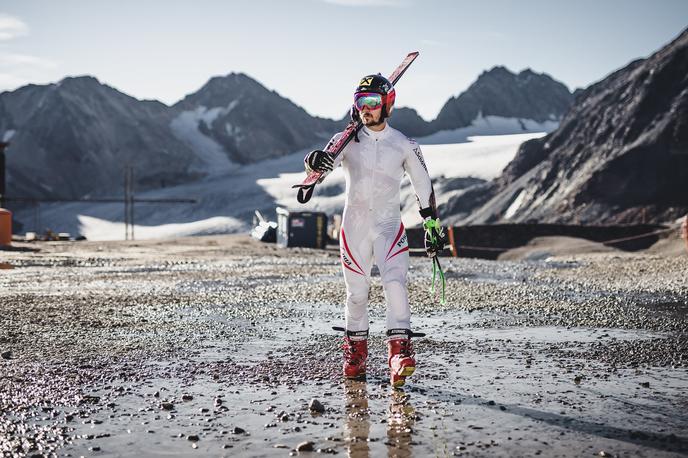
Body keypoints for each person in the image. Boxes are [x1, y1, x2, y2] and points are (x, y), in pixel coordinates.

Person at [304, 74, 447, 388]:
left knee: (394, 284)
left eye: (371, 103)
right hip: (353, 229)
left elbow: (424, 186)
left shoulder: (404, 145)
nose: (365, 110)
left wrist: (432, 225)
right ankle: (355, 355)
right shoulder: (345, 140)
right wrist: (312, 163)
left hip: (388, 227)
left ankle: (399, 354)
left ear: (388, 104)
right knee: (356, 295)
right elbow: (319, 171)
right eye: (360, 103)